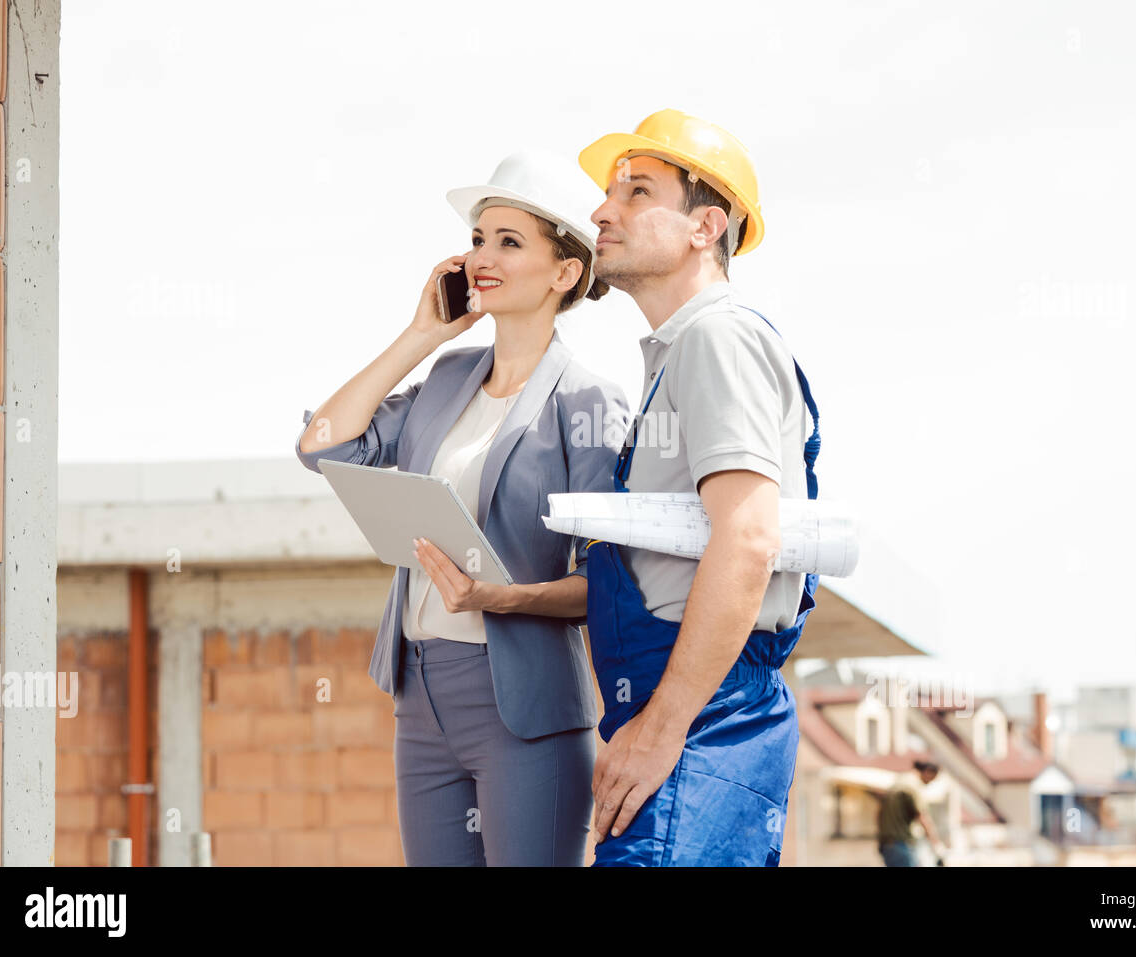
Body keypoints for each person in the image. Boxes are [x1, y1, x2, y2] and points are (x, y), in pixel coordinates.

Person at [295, 150, 631, 866]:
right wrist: (422, 336)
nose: (483, 256)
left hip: (524, 705)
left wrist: (500, 596)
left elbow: (609, 581)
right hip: (421, 695)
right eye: (479, 239)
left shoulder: (588, 402)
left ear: (565, 271)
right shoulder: (448, 376)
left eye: (509, 242)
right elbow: (322, 446)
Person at [575, 109, 823, 866]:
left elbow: (747, 538)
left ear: (704, 226)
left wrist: (661, 726)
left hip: (703, 716)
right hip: (685, 709)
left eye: (636, 191)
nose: (600, 210)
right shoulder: (676, 354)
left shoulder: (718, 338)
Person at [877, 760, 948, 866]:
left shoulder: (899, 782)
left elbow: (879, 814)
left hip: (887, 845)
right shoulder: (914, 787)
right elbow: (923, 817)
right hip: (901, 844)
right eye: (932, 779)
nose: (930, 782)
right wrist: (936, 845)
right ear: (928, 772)